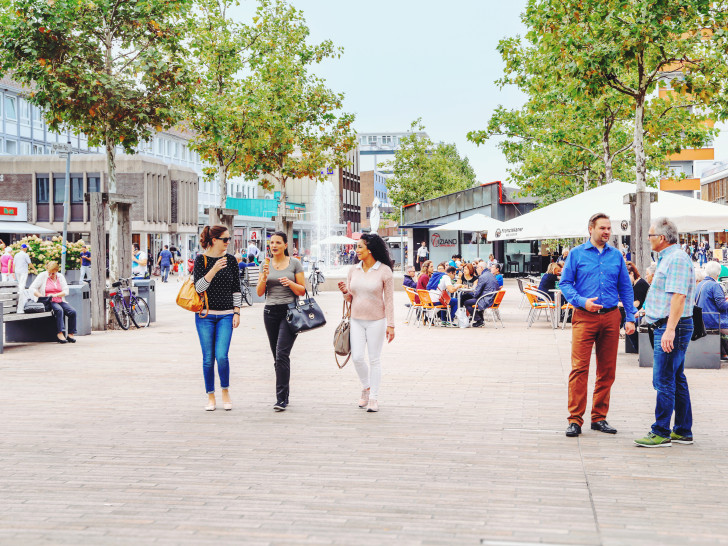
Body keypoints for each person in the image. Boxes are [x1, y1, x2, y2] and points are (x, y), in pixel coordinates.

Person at [559, 212, 636, 438]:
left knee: (607, 370)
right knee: (579, 368)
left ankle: (599, 418)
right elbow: (565, 283)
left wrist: (629, 317)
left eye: (609, 229)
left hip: (612, 317)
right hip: (584, 316)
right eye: (603, 228)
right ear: (590, 229)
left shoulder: (616, 256)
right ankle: (575, 420)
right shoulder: (576, 254)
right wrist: (582, 301)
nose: (607, 232)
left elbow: (626, 288)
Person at [634, 218, 696, 447]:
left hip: (672, 327)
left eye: (650, 235)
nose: (648, 239)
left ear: (661, 238)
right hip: (667, 324)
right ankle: (682, 430)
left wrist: (670, 330)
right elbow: (665, 295)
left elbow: (679, 296)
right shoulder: (668, 258)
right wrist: (645, 311)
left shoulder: (676, 259)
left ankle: (661, 431)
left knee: (664, 380)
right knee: (676, 378)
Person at [338, 233, 395, 413]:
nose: (356, 251)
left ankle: (374, 398)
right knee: (356, 357)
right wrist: (344, 292)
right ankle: (366, 387)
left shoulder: (384, 270)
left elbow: (390, 300)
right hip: (356, 319)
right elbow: (350, 299)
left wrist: (391, 325)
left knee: (374, 359)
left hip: (377, 320)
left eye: (360, 247)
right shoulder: (353, 270)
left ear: (370, 249)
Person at [256, 231, 306, 412]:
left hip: (290, 312)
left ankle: (281, 399)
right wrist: (263, 276)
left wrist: (289, 283)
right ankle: (284, 394)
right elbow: (260, 293)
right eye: (271, 243)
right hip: (270, 312)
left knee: (281, 354)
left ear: (286, 245)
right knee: (277, 357)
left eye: (278, 242)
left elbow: (302, 290)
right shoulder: (265, 263)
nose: (274, 245)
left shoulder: (295, 263)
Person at [194, 225, 241, 412]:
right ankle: (211, 396)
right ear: (214, 240)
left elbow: (236, 288)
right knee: (207, 358)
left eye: (229, 239)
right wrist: (213, 269)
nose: (228, 242)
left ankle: (225, 391)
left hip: (226, 315)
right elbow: (198, 288)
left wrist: (237, 311)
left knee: (221, 356)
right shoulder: (201, 260)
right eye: (225, 239)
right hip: (205, 315)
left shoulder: (231, 260)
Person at [30, 261, 77, 344]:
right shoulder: (42, 276)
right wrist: (41, 296)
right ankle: (60, 333)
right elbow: (32, 288)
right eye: (49, 273)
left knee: (72, 312)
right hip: (48, 301)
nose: (51, 275)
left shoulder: (60, 277)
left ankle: (70, 334)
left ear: (57, 271)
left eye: (53, 273)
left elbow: (66, 291)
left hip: (59, 299)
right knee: (59, 310)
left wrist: (56, 295)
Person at [696, 260, 728, 355]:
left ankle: (724, 353)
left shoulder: (700, 284)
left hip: (703, 319)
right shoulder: (715, 285)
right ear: (718, 274)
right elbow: (722, 306)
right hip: (714, 320)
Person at [462, 262, 499, 327]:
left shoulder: (482, 276)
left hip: (486, 299)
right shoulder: (490, 274)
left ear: (481, 268)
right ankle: (480, 319)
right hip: (492, 298)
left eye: (477, 268)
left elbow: (477, 292)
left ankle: (479, 320)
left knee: (467, 302)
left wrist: (472, 295)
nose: (476, 269)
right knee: (472, 298)